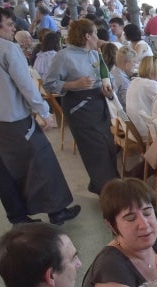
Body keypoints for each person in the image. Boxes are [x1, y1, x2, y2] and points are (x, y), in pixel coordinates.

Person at [0, 7, 80, 225]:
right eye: (8, 25)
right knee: (43, 163)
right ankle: (56, 211)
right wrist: (44, 112)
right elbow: (26, 85)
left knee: (5, 172)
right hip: (16, 120)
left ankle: (17, 216)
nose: (12, 29)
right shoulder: (6, 48)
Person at [44, 18, 119, 195]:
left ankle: (104, 185)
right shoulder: (63, 57)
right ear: (87, 36)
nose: (98, 37)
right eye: (95, 33)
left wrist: (108, 88)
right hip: (79, 107)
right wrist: (74, 84)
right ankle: (110, 193)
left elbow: (108, 77)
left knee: (109, 146)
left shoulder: (95, 54)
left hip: (99, 104)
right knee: (96, 149)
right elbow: (49, 84)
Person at [125, 56, 157, 139]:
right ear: (153, 70)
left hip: (133, 129)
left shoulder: (134, 81)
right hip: (145, 131)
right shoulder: (151, 84)